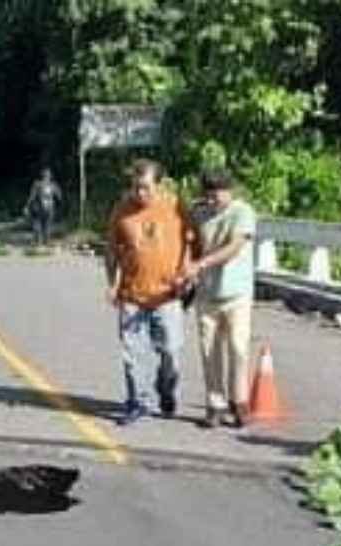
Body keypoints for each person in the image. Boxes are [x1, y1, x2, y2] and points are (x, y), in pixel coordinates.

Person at [105, 159, 194, 426]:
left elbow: (190, 242)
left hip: (167, 295)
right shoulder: (122, 210)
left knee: (171, 352)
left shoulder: (176, 206)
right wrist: (112, 284)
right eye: (135, 188)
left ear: (159, 184)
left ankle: (165, 388)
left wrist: (186, 272)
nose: (139, 194)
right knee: (132, 354)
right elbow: (112, 251)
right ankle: (137, 401)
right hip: (132, 295)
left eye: (145, 188)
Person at [184, 169, 257, 429]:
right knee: (209, 351)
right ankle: (215, 404)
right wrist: (187, 270)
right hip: (207, 294)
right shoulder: (199, 212)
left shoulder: (242, 212)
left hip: (236, 294)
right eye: (208, 195)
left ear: (230, 191)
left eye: (216, 195)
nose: (212, 200)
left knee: (238, 349)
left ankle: (240, 403)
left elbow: (234, 247)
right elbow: (190, 242)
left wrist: (201, 264)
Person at [24, 169, 62, 246]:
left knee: (40, 225)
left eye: (46, 175)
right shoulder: (52, 185)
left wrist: (27, 206)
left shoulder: (38, 184)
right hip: (46, 208)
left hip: (43, 208)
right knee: (44, 225)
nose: (46, 177)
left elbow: (32, 196)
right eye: (46, 175)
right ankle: (44, 241)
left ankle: (39, 241)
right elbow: (59, 197)